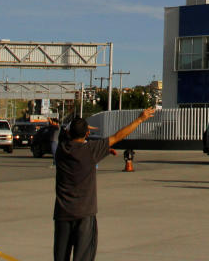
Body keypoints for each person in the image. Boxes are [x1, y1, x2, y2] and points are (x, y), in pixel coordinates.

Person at [53, 108, 154, 261]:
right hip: (84, 214)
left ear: (69, 133)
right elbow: (118, 136)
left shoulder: (61, 150)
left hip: (62, 214)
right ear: (87, 134)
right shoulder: (91, 150)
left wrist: (103, 149)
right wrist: (140, 119)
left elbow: (63, 133)